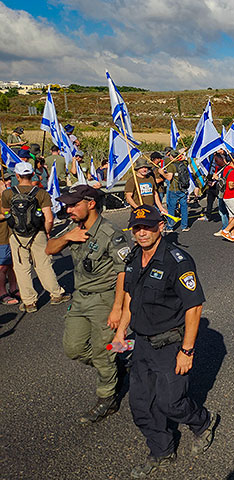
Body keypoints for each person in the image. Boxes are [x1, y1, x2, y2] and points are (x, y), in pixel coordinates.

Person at [111, 205, 215, 478]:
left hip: (170, 344)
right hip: (142, 343)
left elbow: (194, 307)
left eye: (148, 227)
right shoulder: (134, 258)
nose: (142, 232)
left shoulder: (177, 261)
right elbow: (131, 299)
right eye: (137, 227)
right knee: (141, 405)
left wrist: (187, 350)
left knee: (171, 403)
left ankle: (203, 421)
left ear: (161, 227)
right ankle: (162, 451)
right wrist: (121, 332)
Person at [45, 185, 129, 423]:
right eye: (67, 205)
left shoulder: (111, 233)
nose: (68, 209)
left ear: (91, 204)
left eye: (73, 205)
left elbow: (124, 272)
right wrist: (66, 237)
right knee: (73, 348)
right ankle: (114, 367)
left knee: (103, 353)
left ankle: (107, 399)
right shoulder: (74, 227)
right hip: (80, 296)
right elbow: (49, 249)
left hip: (104, 298)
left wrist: (117, 308)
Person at [1, 162, 70, 312]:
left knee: (21, 267)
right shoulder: (40, 193)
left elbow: (5, 212)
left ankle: (29, 302)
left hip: (16, 235)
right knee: (44, 264)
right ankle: (56, 293)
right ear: (33, 174)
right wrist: (46, 231)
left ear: (17, 176)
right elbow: (49, 218)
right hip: (37, 233)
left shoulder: (8, 193)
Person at [213, 152, 234, 241]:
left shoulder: (227, 168)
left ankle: (233, 234)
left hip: (227, 196)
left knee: (232, 216)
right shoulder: (232, 171)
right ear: (233, 159)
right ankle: (226, 230)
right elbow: (231, 185)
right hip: (230, 196)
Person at [158, 150, 190, 232]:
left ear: (172, 157)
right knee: (184, 208)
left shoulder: (171, 166)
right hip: (183, 189)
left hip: (174, 189)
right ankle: (184, 226)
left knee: (171, 208)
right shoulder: (184, 163)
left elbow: (169, 178)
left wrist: (162, 173)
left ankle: (170, 227)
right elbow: (185, 159)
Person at [0, 172, 19, 305]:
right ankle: (2, 292)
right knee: (3, 265)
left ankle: (14, 287)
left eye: (9, 179)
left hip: (12, 233)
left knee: (14, 263)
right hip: (2, 236)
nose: (8, 181)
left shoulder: (10, 193)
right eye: (4, 179)